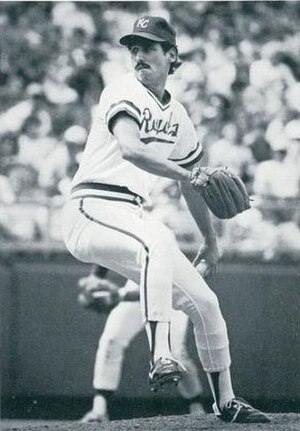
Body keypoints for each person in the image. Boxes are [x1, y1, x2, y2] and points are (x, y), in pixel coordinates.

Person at [63, 15, 270, 423]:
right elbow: (131, 149)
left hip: (129, 216)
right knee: (156, 237)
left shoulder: (178, 115)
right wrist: (188, 173)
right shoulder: (122, 90)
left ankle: (226, 401)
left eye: (149, 48)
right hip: (90, 208)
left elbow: (192, 185)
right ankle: (162, 355)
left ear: (171, 56)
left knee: (205, 303)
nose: (138, 55)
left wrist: (210, 242)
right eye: (134, 48)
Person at [79, 266, 206, 423]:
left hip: (172, 293)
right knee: (111, 340)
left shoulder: (180, 246)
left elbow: (161, 289)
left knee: (175, 353)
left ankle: (197, 408)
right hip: (138, 281)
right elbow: (114, 243)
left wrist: (120, 294)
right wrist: (96, 276)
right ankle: (99, 410)